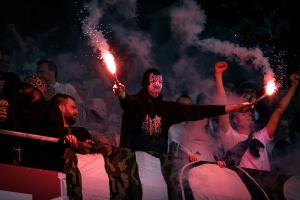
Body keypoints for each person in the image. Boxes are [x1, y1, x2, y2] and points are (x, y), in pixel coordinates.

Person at [113, 68, 253, 199]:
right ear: (145, 83)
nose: (157, 85)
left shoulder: (167, 108)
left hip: (157, 166)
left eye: (160, 82)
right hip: (131, 164)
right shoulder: (136, 103)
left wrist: (232, 108)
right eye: (153, 81)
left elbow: (199, 111)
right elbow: (128, 102)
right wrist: (122, 95)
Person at [214, 61, 299, 171]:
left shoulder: (261, 136)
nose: (249, 114)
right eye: (243, 113)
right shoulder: (230, 136)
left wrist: (294, 86)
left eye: (249, 112)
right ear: (234, 120)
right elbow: (223, 106)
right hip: (242, 184)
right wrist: (218, 76)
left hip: (264, 184)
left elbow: (279, 110)